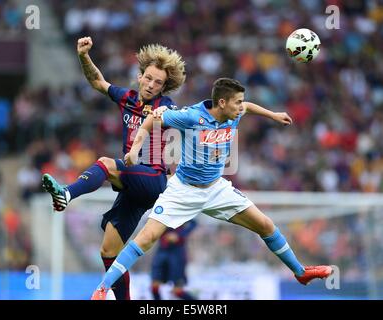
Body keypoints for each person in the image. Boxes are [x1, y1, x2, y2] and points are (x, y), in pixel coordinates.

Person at [90, 77, 333, 300]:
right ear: (222, 102)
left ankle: (300, 272)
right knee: (146, 238)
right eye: (237, 102)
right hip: (183, 190)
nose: (241, 106)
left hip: (217, 189)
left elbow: (249, 107)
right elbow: (151, 121)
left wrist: (273, 114)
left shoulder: (234, 113)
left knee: (266, 225)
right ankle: (102, 288)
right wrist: (134, 150)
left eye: (241, 102)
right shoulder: (191, 116)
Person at [41, 37, 186, 300]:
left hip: (153, 178)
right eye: (149, 78)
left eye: (159, 82)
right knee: (109, 252)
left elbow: (168, 123)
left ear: (165, 87)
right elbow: (97, 81)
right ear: (140, 76)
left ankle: (66, 194)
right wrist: (84, 56)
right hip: (132, 186)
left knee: (106, 164)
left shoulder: (165, 107)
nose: (152, 85)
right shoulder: (127, 98)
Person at [151, 220, 197, 300]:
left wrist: (179, 235)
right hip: (162, 251)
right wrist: (162, 234)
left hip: (177, 253)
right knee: (154, 284)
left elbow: (193, 223)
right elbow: (151, 222)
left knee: (177, 290)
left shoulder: (184, 211)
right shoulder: (162, 210)